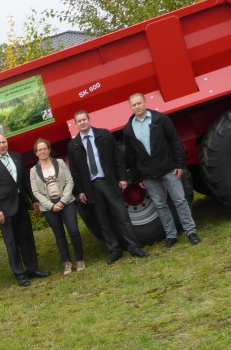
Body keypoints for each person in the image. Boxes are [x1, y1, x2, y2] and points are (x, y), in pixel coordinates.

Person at [66, 110, 149, 264]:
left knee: (122, 216)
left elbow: (117, 158)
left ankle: (134, 247)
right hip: (91, 188)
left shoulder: (104, 135)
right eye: (79, 121)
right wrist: (80, 191)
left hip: (108, 182)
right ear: (76, 124)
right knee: (103, 221)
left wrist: (123, 178)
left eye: (84, 119)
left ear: (89, 120)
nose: (82, 122)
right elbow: (75, 172)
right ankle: (114, 250)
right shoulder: (73, 145)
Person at [122, 93, 200, 247]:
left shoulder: (161, 119)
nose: (137, 107)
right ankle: (171, 236)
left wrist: (179, 165)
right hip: (149, 175)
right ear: (130, 107)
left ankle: (191, 232)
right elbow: (131, 158)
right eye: (134, 105)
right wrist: (138, 178)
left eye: (139, 103)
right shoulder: (128, 130)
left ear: (145, 103)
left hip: (169, 169)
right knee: (160, 205)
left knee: (180, 201)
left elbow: (175, 141)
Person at [0, 133, 49, 287]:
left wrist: (34, 200)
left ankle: (33, 269)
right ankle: (19, 274)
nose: (2, 145)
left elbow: (25, 182)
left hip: (21, 205)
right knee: (12, 243)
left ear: (7, 142)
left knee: (27, 239)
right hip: (4, 210)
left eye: (3, 142)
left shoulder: (17, 156)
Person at [28, 138, 86, 275]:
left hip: (66, 201)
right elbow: (35, 191)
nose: (42, 151)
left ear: (49, 150)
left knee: (73, 231)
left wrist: (63, 201)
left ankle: (79, 260)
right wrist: (50, 205)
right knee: (59, 235)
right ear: (36, 153)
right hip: (48, 206)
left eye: (45, 148)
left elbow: (69, 181)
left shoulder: (59, 163)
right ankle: (66, 263)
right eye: (39, 149)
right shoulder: (33, 171)